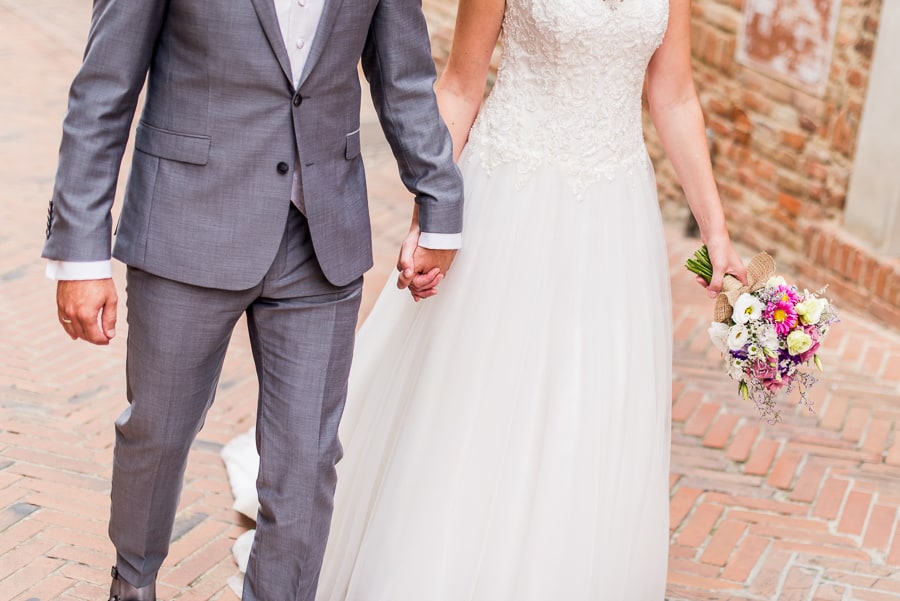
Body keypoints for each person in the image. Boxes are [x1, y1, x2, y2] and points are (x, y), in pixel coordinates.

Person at [224, 0, 748, 598]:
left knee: (594, 402)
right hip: (510, 195)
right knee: (482, 390)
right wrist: (431, 215)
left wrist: (717, 231)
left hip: (614, 213)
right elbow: (460, 87)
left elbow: (675, 94)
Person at [41, 0, 464, 599]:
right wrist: (81, 254)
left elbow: (405, 78)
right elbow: (104, 89)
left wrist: (439, 205)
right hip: (187, 222)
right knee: (156, 431)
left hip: (322, 233)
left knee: (306, 464)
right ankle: (132, 582)